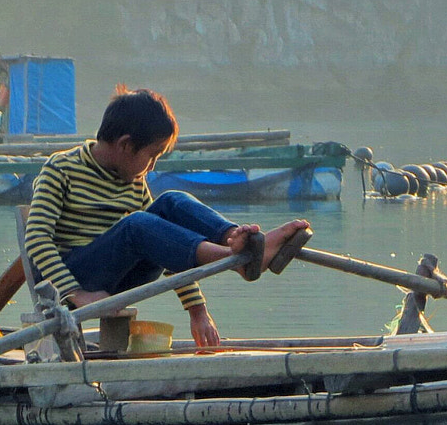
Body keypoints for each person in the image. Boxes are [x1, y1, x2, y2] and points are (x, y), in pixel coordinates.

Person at [23, 86, 312, 347]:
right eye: (152, 155)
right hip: (71, 282)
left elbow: (167, 242)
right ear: (125, 145)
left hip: (116, 278)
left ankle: (238, 241)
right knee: (137, 225)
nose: (151, 167)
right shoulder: (61, 168)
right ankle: (234, 258)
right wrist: (76, 293)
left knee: (172, 202)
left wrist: (198, 312)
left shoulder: (133, 181)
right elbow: (36, 239)